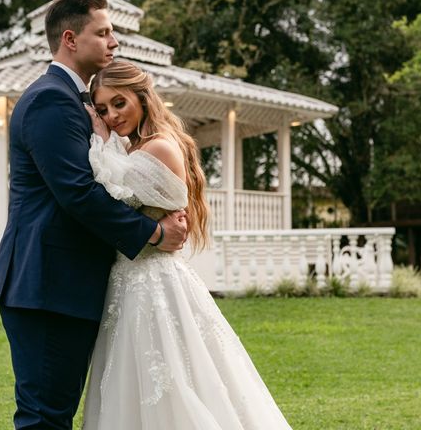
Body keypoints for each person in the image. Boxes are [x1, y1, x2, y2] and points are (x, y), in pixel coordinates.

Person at [0, 0, 188, 430]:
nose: (114, 41)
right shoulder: (50, 100)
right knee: (45, 418)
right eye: (103, 32)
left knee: (54, 413)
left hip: (67, 284)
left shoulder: (77, 101)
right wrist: (152, 234)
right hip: (46, 283)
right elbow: (76, 193)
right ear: (70, 39)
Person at [81, 60, 293, 429]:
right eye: (102, 110)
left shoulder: (159, 148)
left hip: (152, 283)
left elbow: (104, 191)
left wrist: (99, 138)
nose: (112, 116)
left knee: (173, 384)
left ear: (142, 98)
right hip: (130, 282)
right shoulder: (136, 150)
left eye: (119, 103)